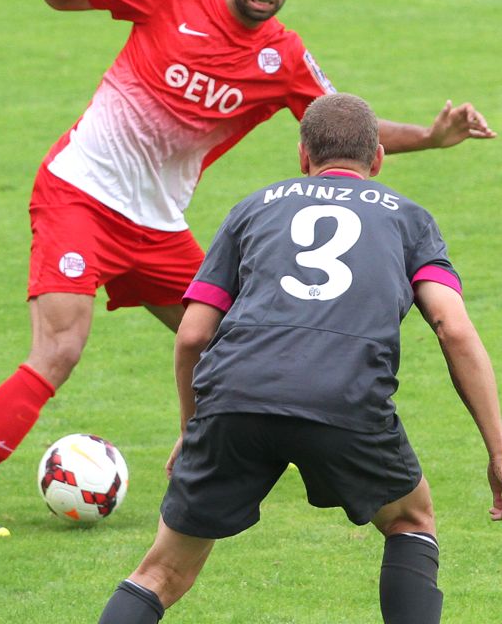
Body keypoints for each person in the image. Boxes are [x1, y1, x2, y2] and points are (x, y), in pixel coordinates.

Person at [0, 0, 496, 537]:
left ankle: (234, 456)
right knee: (60, 347)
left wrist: (431, 135)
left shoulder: (282, 56)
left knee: (236, 342)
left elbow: (348, 132)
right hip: (79, 194)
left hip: (158, 226)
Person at [95, 93, 502, 624]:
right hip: (344, 399)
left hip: (235, 395)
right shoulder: (410, 219)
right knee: (410, 521)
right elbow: (453, 327)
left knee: (162, 572)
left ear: (303, 155)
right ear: (378, 159)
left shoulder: (253, 207)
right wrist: (497, 449)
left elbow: (192, 335)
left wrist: (193, 428)